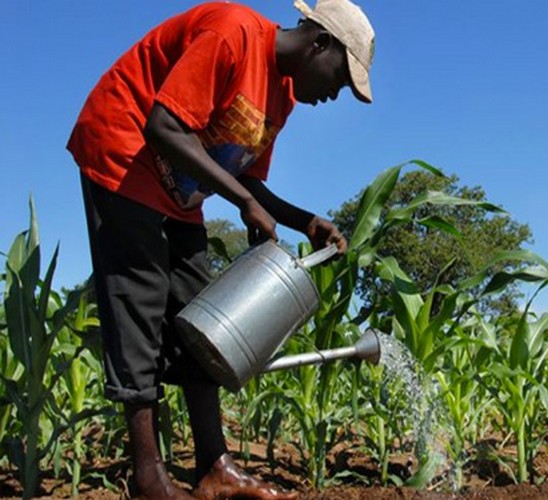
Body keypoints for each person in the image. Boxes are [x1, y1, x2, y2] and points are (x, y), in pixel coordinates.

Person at [66, 0, 375, 498]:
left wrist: (304, 222)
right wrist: (245, 201)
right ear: (320, 44)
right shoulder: (232, 33)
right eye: (340, 79)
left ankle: (214, 467)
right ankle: (148, 476)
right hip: (124, 155)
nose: (335, 94)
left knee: (201, 317)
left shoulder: (282, 98)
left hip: (179, 190)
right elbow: (162, 127)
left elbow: (244, 175)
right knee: (139, 308)